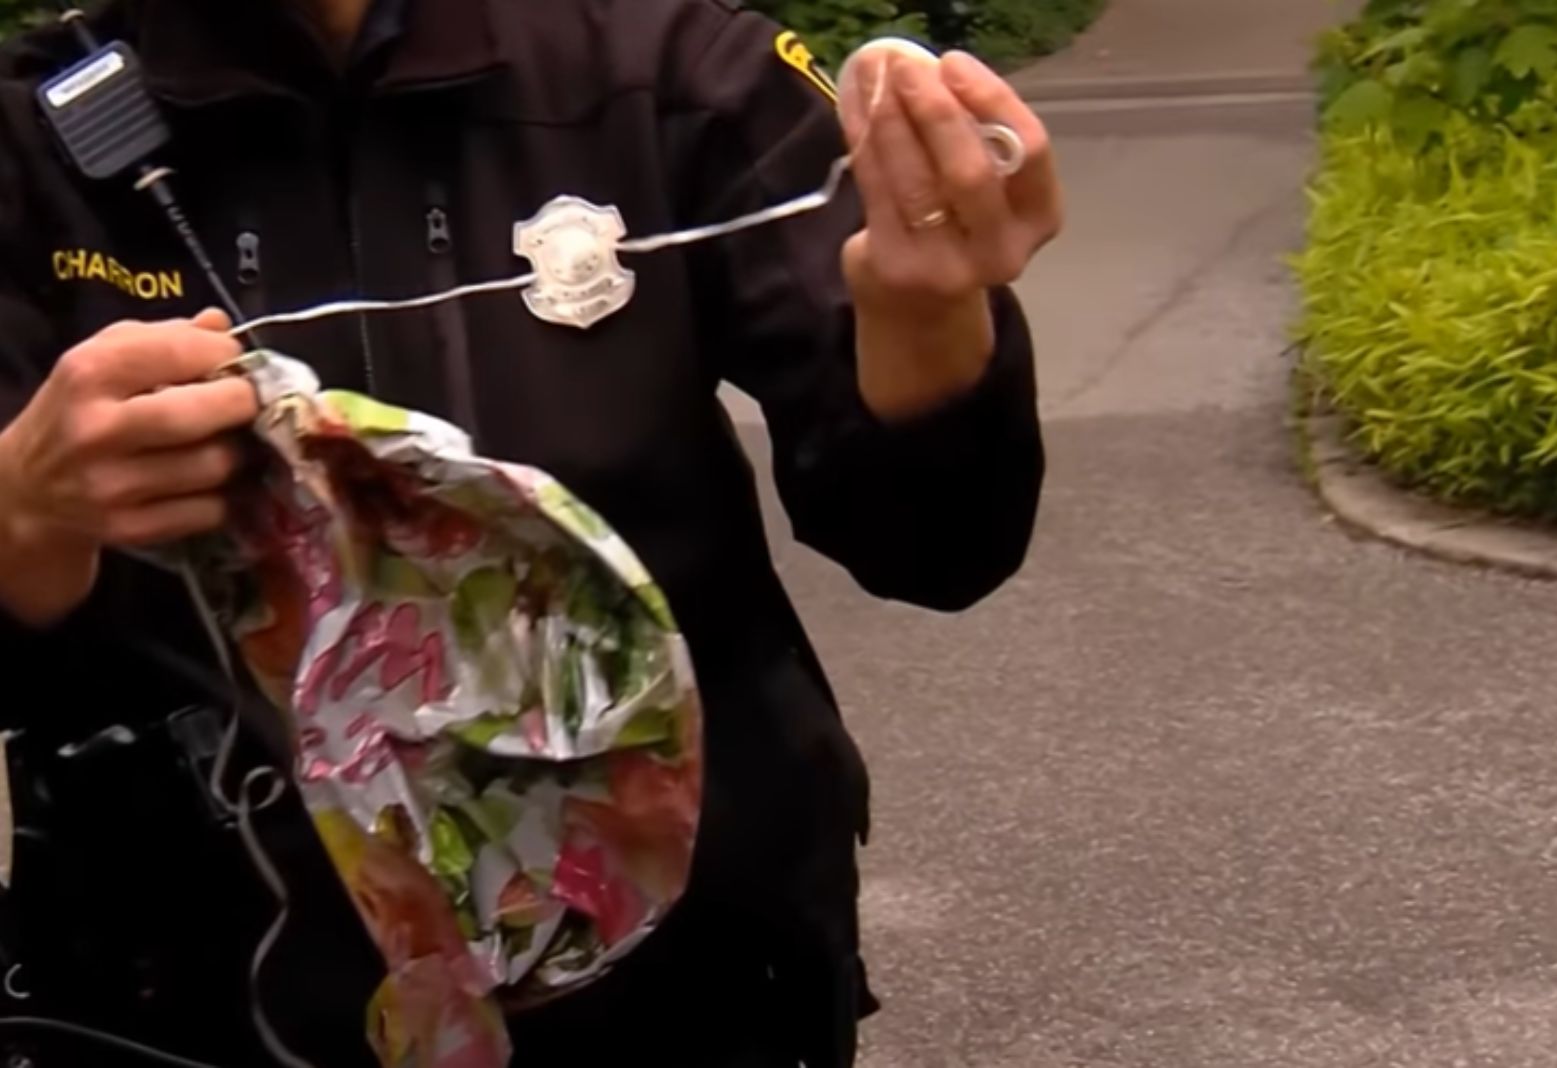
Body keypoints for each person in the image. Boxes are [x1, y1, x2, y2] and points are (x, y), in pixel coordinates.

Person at [0, 0, 1058, 1064]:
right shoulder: (29, 137)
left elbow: (937, 544)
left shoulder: (671, 67)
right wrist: (25, 509)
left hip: (686, 988)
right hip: (208, 994)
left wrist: (926, 316)